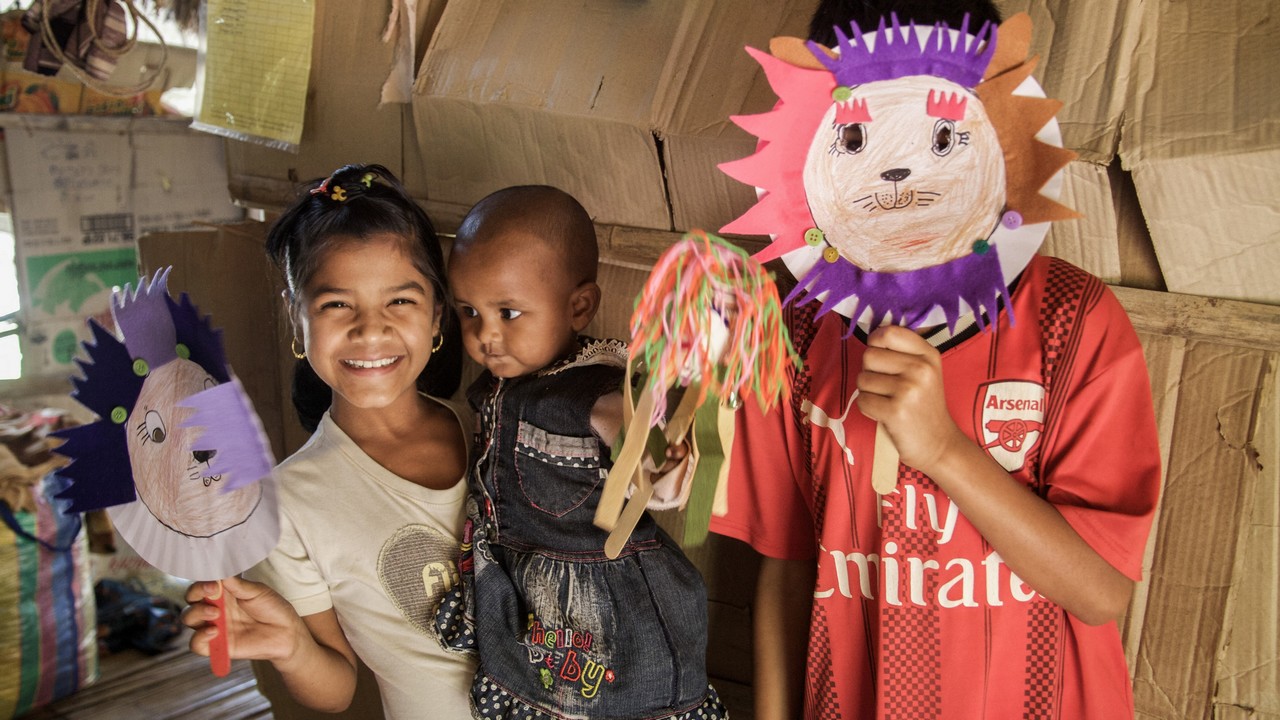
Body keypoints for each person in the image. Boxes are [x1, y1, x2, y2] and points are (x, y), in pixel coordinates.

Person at [708, 2, 1163, 719]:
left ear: (999, 135)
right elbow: (788, 565)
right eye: (859, 137)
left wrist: (945, 448)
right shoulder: (792, 330)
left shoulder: (1074, 323)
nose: (896, 171)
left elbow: (1102, 591)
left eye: (941, 137)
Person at [181, 163, 475, 719]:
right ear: (297, 318)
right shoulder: (285, 504)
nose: (370, 330)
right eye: (337, 304)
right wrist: (290, 643)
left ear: (438, 316)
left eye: (401, 302)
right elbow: (337, 687)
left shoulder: (491, 429)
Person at [434, 185, 727, 720]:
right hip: (529, 599)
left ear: (579, 306)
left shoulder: (592, 393)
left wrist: (660, 467)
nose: (485, 336)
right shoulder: (504, 383)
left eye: (508, 312)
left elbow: (642, 453)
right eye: (469, 311)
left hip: (599, 613)